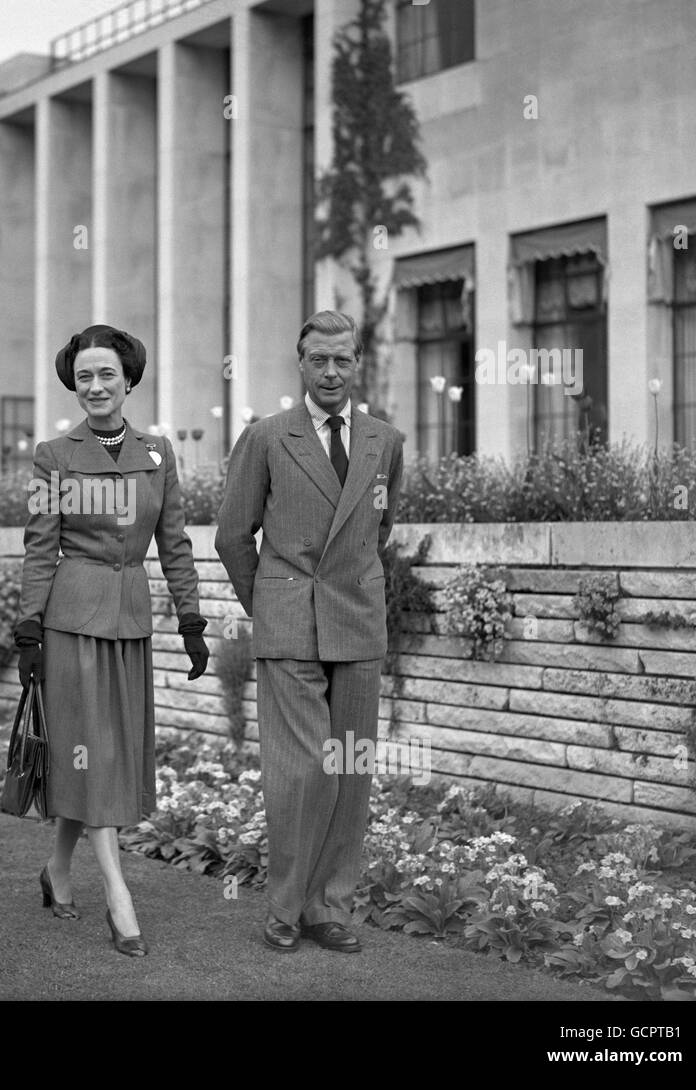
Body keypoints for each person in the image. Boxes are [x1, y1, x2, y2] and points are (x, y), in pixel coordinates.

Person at [14, 324, 209, 957]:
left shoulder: (158, 455)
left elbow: (174, 543)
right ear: (73, 383)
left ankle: (58, 870)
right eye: (85, 376)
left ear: (129, 380)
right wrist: (28, 627)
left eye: (108, 374)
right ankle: (119, 897)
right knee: (91, 753)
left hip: (130, 625)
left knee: (106, 753)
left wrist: (192, 620)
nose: (96, 386)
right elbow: (41, 545)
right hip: (70, 624)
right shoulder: (54, 455)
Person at [215, 310, 404, 954]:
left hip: (356, 621)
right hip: (290, 622)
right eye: (318, 360)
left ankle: (331, 909)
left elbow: (378, 530)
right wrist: (270, 605)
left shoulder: (386, 442)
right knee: (303, 768)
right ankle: (286, 905)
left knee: (349, 766)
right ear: (300, 364)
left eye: (342, 360)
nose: (330, 372)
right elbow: (232, 535)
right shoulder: (267, 438)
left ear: (357, 364)